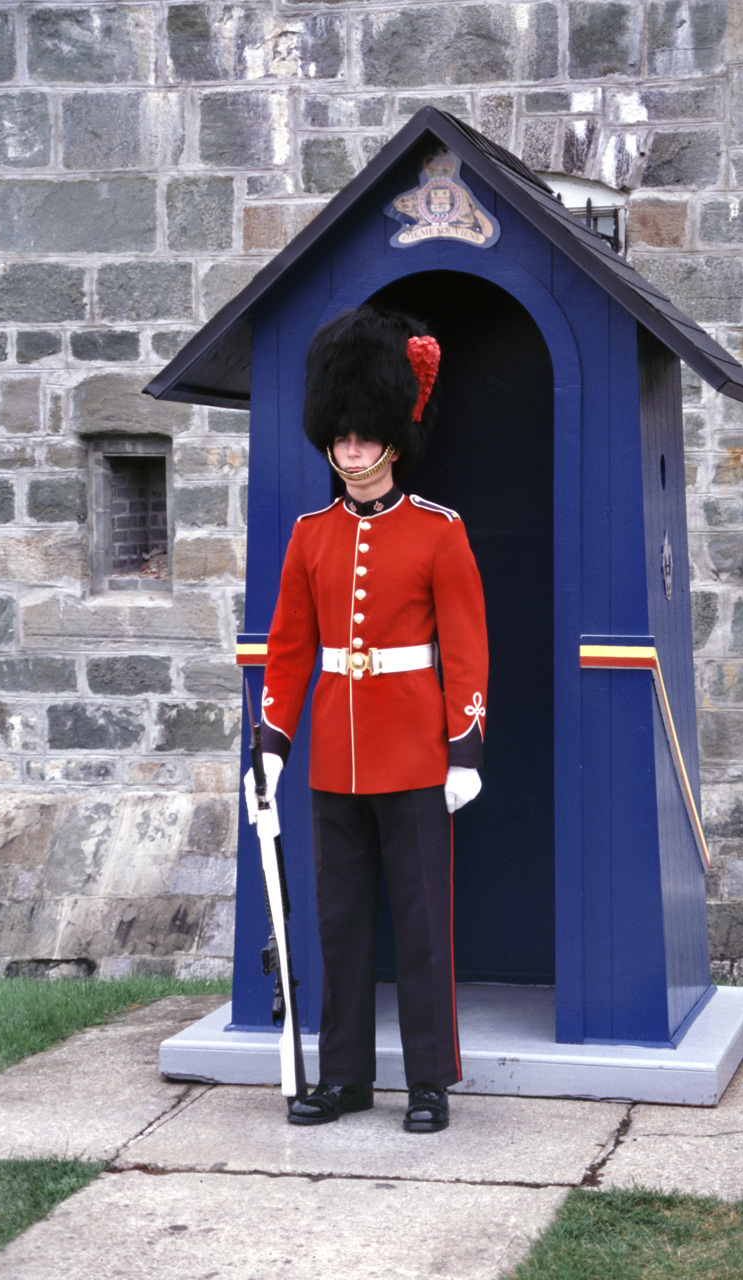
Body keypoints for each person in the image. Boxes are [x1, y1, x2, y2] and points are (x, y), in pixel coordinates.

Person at [247, 305, 488, 1132]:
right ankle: (346, 1077)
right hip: (334, 762)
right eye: (340, 435)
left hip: (418, 756)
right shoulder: (310, 537)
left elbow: (464, 650)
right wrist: (273, 742)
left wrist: (465, 749)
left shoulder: (438, 533)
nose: (349, 448)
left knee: (423, 928)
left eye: (362, 434)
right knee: (340, 927)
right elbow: (286, 651)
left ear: (390, 434)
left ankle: (428, 1082)